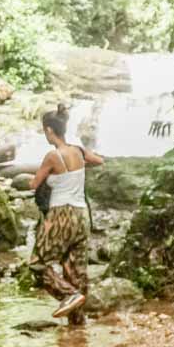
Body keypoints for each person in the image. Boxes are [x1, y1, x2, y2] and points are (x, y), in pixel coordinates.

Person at [29, 108, 103, 324]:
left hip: (61, 213)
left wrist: (33, 180)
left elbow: (34, 184)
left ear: (50, 131)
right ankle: (78, 328)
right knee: (76, 271)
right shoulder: (78, 151)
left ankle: (67, 295)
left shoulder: (52, 156)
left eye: (45, 131)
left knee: (37, 263)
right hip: (82, 215)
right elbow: (98, 161)